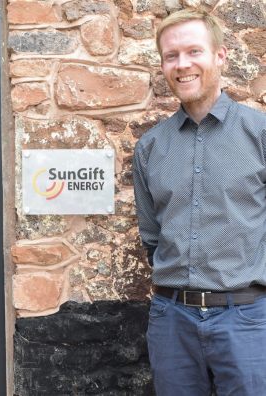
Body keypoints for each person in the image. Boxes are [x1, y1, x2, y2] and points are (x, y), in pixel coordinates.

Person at [133, 8, 266, 396]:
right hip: (171, 320)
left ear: (220, 56)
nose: (182, 64)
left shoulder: (259, 134)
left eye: (194, 51)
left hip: (247, 319)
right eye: (171, 56)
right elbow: (151, 237)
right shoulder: (150, 147)